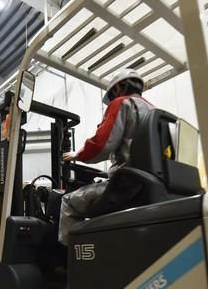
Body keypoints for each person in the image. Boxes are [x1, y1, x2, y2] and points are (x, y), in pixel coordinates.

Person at [59, 69, 155, 244]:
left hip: (126, 185)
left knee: (68, 202)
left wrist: (77, 155)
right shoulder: (153, 110)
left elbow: (101, 145)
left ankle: (68, 256)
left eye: (111, 95)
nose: (112, 100)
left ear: (118, 88)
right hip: (150, 183)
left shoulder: (122, 103)